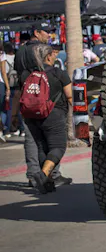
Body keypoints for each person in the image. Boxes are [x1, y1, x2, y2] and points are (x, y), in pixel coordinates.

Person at [15, 23, 71, 188]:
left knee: (34, 141)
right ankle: (50, 174)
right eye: (47, 32)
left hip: (27, 101)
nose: (49, 35)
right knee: (52, 143)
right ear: (36, 32)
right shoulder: (43, 51)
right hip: (48, 104)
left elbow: (18, 77)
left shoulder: (20, 52)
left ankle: (34, 175)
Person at [3, 43, 23, 137]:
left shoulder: (4, 58)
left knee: (8, 108)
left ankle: (8, 128)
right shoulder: (17, 57)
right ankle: (22, 128)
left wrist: (7, 87)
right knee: (19, 107)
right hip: (18, 86)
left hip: (8, 86)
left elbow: (4, 73)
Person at [0, 45, 11, 142]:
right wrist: (8, 87)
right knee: (3, 109)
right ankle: (0, 132)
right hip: (0, 84)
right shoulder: (1, 54)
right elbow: (3, 72)